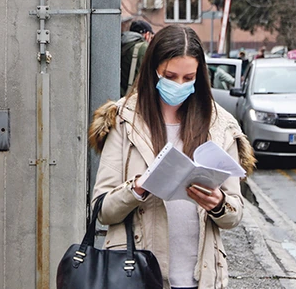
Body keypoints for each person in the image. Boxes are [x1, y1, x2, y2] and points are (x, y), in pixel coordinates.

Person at [89, 25, 255, 289]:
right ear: (153, 69)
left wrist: (218, 203)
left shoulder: (220, 125)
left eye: (189, 77)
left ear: (200, 76)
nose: (179, 85)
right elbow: (102, 211)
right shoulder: (124, 120)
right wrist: (137, 188)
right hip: (137, 275)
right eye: (170, 76)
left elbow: (234, 215)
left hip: (200, 278)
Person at [120, 19, 154, 96]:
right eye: (151, 37)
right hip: (132, 95)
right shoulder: (143, 47)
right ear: (147, 35)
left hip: (118, 92)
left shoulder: (122, 43)